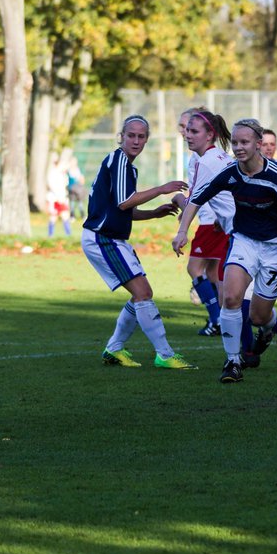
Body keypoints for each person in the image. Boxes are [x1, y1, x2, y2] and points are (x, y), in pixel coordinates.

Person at [174, 118, 277, 383]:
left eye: (244, 142)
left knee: (258, 316)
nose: (238, 147)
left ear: (258, 144)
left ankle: (275, 330)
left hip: (276, 248)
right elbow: (196, 199)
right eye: (235, 142)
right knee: (231, 298)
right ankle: (233, 362)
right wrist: (181, 232)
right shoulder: (231, 173)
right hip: (244, 241)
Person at [81, 115, 194, 370]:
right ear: (121, 136)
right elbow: (124, 201)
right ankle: (164, 354)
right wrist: (161, 189)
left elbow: (122, 209)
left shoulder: (126, 166)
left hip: (113, 239)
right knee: (143, 293)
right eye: (131, 135)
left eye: (141, 136)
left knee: (140, 294)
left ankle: (114, 349)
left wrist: (153, 213)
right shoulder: (119, 159)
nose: (136, 140)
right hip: (103, 239)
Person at [176, 108, 236, 337]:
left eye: (191, 129)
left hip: (214, 222)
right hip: (225, 223)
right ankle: (234, 335)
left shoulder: (204, 160)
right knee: (219, 276)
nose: (186, 134)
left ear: (208, 134)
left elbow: (197, 199)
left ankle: (218, 319)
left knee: (199, 270)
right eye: (183, 128)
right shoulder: (215, 156)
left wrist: (179, 203)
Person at [46, 151, 73, 238]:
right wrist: (58, 197)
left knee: (65, 216)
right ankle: (50, 235)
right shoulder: (53, 173)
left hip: (62, 199)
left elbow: (65, 186)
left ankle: (69, 235)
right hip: (54, 199)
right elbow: (52, 186)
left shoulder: (63, 175)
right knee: (53, 217)